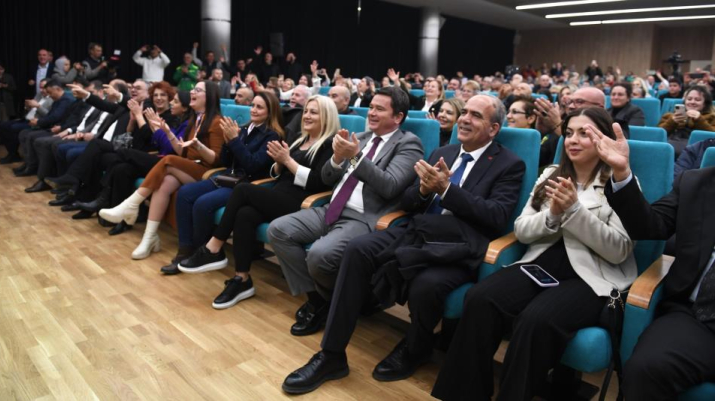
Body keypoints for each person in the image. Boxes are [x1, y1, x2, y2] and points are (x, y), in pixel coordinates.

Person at [280, 94, 525, 395]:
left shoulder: (509, 164)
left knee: (426, 285)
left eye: (476, 115)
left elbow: (496, 216)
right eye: (465, 112)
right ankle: (331, 354)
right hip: (418, 232)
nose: (464, 119)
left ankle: (416, 347)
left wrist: (446, 190)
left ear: (494, 128)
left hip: (457, 245)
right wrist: (423, 190)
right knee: (358, 249)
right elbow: (408, 201)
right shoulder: (445, 151)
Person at [431, 108, 637, 401]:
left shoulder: (620, 182)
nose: (573, 140)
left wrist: (574, 211)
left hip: (592, 275)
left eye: (584, 133)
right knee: (480, 298)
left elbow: (619, 250)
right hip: (541, 261)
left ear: (603, 139)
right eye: (569, 133)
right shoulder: (552, 174)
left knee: (535, 320)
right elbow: (523, 230)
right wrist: (552, 215)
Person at [266, 86, 424, 338]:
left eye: (380, 109)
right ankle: (318, 300)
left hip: (363, 218)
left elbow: (390, 186)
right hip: (331, 208)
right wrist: (337, 159)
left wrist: (355, 157)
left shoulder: (408, 144)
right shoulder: (360, 137)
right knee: (278, 230)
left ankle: (346, 300)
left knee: (319, 255)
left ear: (398, 117)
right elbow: (328, 178)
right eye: (371, 107)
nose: (371, 113)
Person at [586, 117, 715, 401]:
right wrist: (622, 172)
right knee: (646, 369)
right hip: (697, 318)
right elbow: (649, 226)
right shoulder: (697, 183)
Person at [177, 96, 338, 308]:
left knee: (243, 189)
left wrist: (287, 160)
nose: (306, 116)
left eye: (313, 112)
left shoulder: (329, 145)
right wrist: (279, 163)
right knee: (244, 214)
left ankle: (213, 248)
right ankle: (241, 279)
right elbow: (277, 174)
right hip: (279, 194)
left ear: (326, 116)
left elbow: (318, 182)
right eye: (306, 111)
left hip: (301, 203)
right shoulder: (300, 140)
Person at [158, 90, 284, 270]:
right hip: (227, 176)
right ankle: (185, 249)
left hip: (244, 185)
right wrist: (227, 142)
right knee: (184, 193)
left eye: (260, 107)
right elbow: (225, 161)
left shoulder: (272, 135)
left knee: (202, 203)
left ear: (270, 112)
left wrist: (234, 140)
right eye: (253, 105)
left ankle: (204, 253)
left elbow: (252, 166)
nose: (254, 110)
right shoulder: (243, 129)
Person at [99, 80, 225, 259]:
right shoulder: (196, 119)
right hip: (190, 167)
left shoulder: (217, 122)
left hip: (207, 174)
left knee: (168, 160)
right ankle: (149, 237)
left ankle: (131, 204)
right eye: (193, 89)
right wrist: (168, 132)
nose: (192, 92)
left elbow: (216, 160)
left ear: (209, 96)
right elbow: (182, 151)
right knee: (164, 183)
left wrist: (199, 146)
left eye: (197, 90)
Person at [76, 90, 193, 232]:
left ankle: (101, 198)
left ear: (185, 107)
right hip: (156, 156)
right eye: (156, 95)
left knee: (120, 153)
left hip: (166, 162)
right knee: (122, 168)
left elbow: (168, 147)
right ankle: (120, 219)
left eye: (173, 100)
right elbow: (145, 140)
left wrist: (157, 129)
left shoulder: (179, 121)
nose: (170, 102)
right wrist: (138, 122)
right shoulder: (173, 118)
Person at [0, 79, 52, 164]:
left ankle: (13, 155)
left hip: (36, 123)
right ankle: (13, 153)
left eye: (44, 88)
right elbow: (31, 109)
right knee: (2, 125)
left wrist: (38, 106)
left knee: (13, 128)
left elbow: (49, 115)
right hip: (26, 119)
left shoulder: (52, 99)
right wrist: (28, 107)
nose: (41, 90)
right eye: (40, 87)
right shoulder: (39, 94)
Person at [659, 86, 715, 157]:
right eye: (689, 99)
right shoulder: (670, 116)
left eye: (697, 100)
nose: (692, 102)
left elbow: (712, 136)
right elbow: (658, 134)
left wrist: (699, 120)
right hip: (670, 150)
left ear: (705, 104)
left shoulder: (711, 117)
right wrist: (672, 121)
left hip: (697, 154)